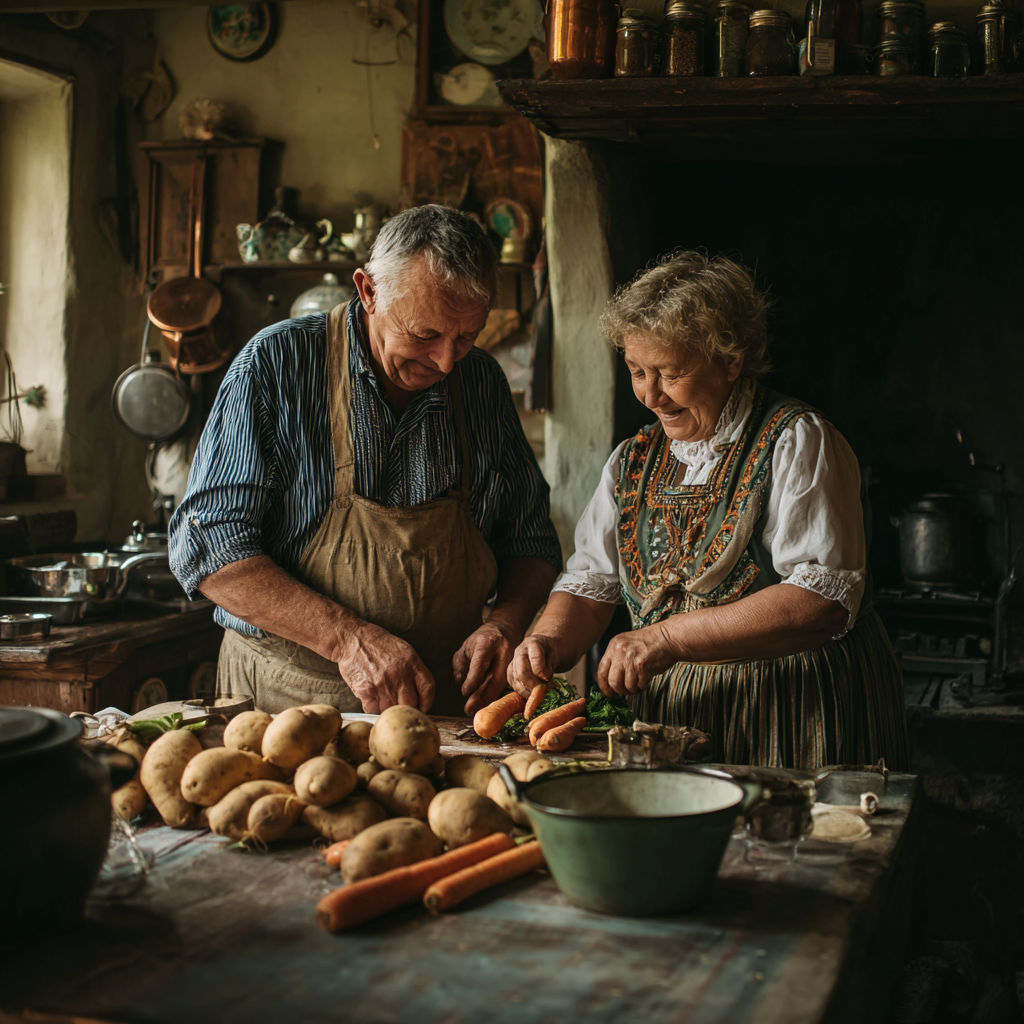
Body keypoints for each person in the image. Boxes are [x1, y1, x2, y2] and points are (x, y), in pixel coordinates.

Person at [508, 252, 909, 770]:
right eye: (636, 371)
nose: (651, 395)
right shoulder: (631, 461)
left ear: (731, 362)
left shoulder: (798, 442)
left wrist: (665, 636)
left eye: (670, 374)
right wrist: (546, 641)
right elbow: (590, 585)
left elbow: (820, 600)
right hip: (674, 719)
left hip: (794, 712)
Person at [169, 205, 561, 718]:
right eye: (425, 335)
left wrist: (505, 624)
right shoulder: (276, 365)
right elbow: (209, 547)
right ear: (368, 291)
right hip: (289, 701)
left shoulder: (481, 382)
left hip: (442, 705)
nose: (446, 361)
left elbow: (529, 539)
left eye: (466, 337)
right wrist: (346, 639)